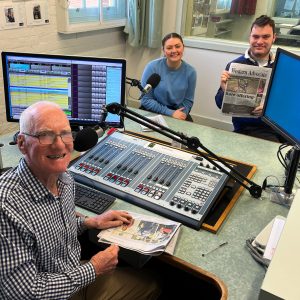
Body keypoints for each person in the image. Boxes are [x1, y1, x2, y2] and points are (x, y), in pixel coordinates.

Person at [0, 101, 160, 299]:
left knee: (150, 279)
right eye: (45, 135)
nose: (59, 144)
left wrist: (88, 222)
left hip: (72, 273)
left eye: (66, 134)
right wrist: (93, 269)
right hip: (51, 293)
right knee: (152, 286)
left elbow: (50, 232)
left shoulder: (64, 178)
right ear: (22, 144)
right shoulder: (6, 206)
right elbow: (23, 293)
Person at [215, 15, 286, 143]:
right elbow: (219, 104)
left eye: (265, 37)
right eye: (256, 36)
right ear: (250, 37)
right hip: (244, 130)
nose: (259, 41)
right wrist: (225, 90)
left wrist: (268, 109)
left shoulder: (281, 67)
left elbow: (287, 104)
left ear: (274, 37)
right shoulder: (235, 65)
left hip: (276, 131)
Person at [140, 32, 197, 121]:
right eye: (169, 48)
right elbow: (146, 99)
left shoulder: (191, 72)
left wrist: (181, 114)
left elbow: (188, 100)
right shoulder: (152, 67)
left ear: (183, 47)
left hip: (177, 111)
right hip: (154, 110)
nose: (174, 51)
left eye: (177, 46)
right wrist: (170, 113)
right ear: (164, 50)